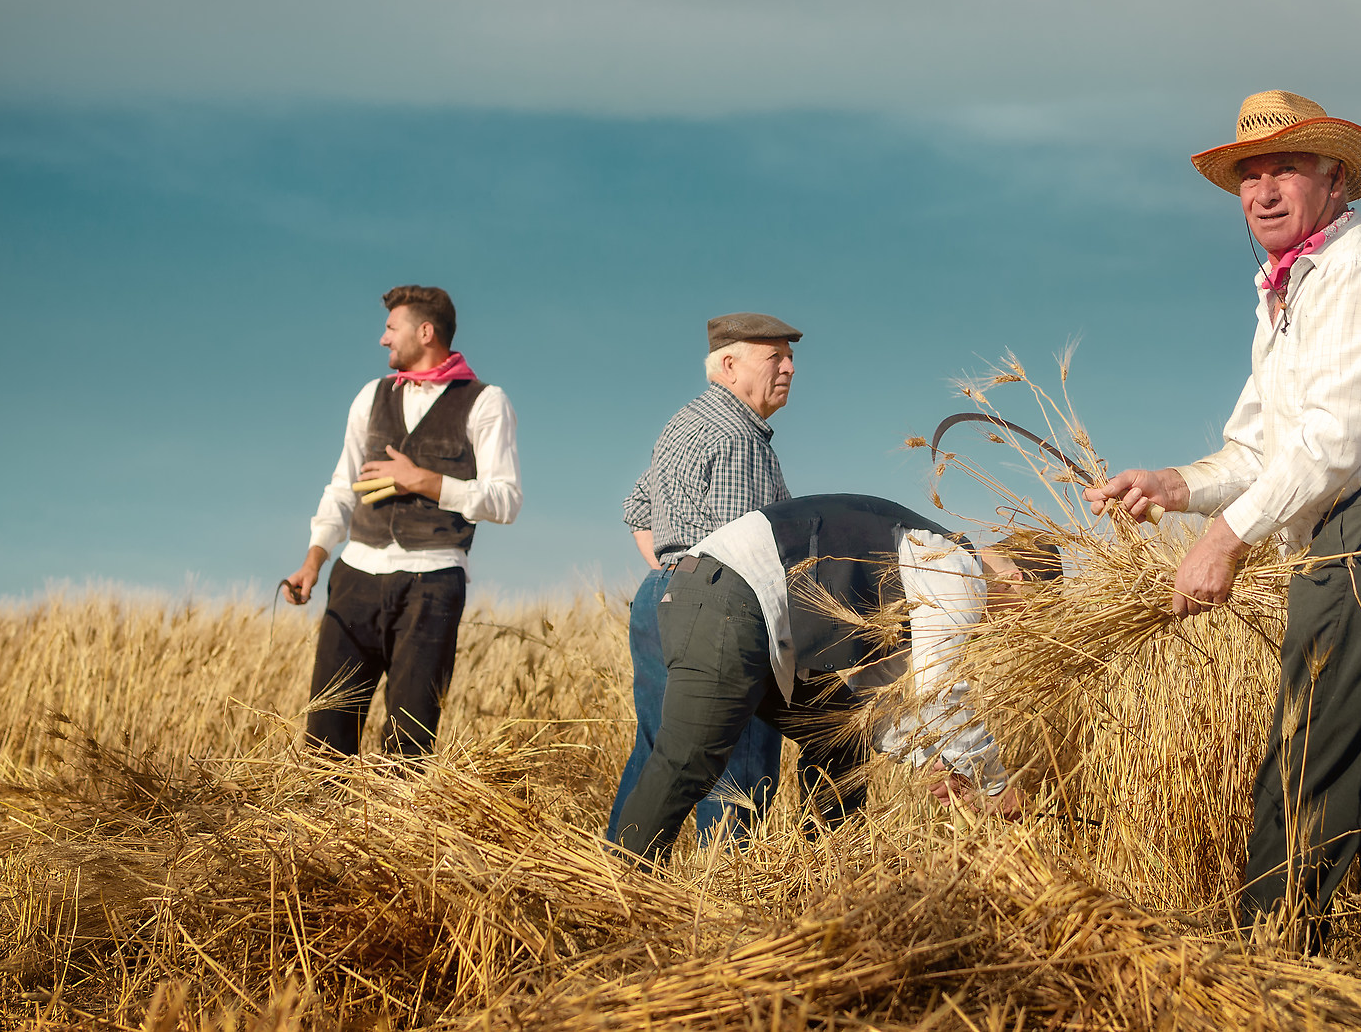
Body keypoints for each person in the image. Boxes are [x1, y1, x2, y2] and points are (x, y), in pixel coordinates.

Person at [1087, 90, 1361, 955]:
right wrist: (1172, 486)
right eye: (1249, 176)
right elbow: (1255, 449)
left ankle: (1261, 981)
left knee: (1305, 774)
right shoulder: (1287, 298)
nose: (1263, 191)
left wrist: (1223, 540)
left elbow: (1332, 442)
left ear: (1335, 179)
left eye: (1284, 170)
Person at [610, 492, 1026, 863]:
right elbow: (943, 689)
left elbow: (873, 706)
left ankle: (825, 874)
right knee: (689, 759)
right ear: (1019, 581)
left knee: (843, 735)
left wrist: (933, 764)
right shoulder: (958, 569)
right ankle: (623, 895)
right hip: (727, 597)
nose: (1011, 629)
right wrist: (993, 785)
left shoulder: (928, 571)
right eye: (1029, 615)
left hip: (742, 609)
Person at [280, 284, 522, 757]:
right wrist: (313, 561)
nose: (383, 339)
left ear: (425, 332)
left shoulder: (486, 401)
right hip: (354, 576)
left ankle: (393, 832)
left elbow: (506, 500)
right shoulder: (370, 396)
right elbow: (340, 485)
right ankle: (320, 832)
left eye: (392, 327)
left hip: (432, 584)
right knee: (325, 732)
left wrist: (422, 480)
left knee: (410, 739)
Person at [605, 312, 801, 846]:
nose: (788, 368)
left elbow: (636, 505)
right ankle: (729, 899)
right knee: (739, 752)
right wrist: (702, 582)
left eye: (790, 357)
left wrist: (675, 572)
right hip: (722, 605)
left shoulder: (684, 423)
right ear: (729, 365)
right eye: (774, 357)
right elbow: (749, 552)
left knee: (659, 748)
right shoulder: (739, 436)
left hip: (661, 599)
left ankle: (618, 883)